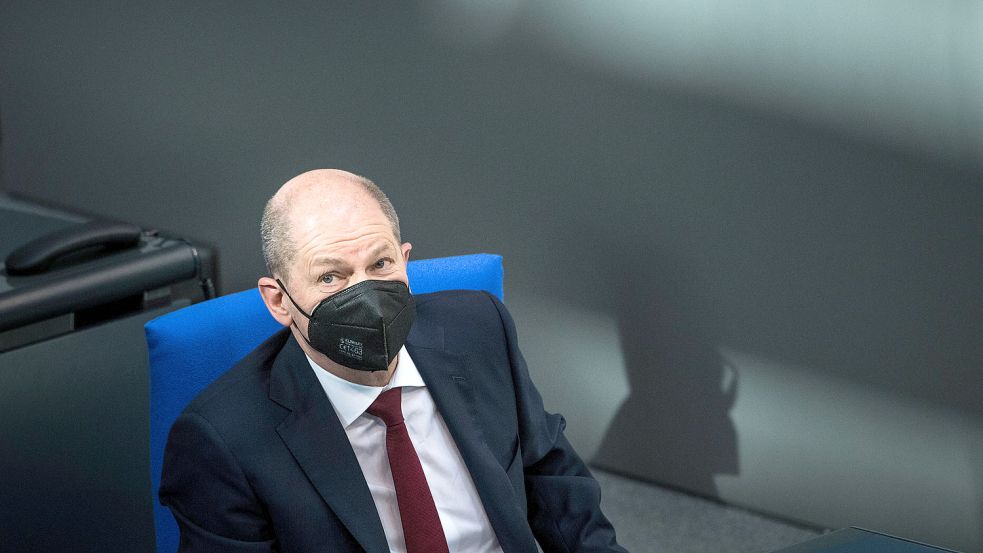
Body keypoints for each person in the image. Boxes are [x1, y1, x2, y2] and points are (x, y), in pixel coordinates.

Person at [159, 169, 627, 553]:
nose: (365, 296)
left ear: (405, 261)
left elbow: (554, 479)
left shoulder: (479, 329)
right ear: (279, 301)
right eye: (330, 277)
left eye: (380, 265)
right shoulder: (222, 441)